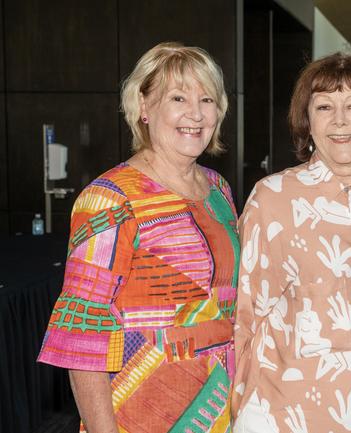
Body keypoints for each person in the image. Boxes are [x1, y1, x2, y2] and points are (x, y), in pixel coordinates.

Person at [38, 42, 239, 433]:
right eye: (178, 98)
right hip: (141, 412)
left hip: (221, 407)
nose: (195, 114)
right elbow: (82, 333)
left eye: (207, 99)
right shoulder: (110, 199)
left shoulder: (218, 190)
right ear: (144, 108)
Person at [232, 52, 351, 433]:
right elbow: (246, 315)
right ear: (308, 120)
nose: (340, 121)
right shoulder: (272, 198)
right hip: (283, 412)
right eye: (324, 107)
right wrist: (240, 405)